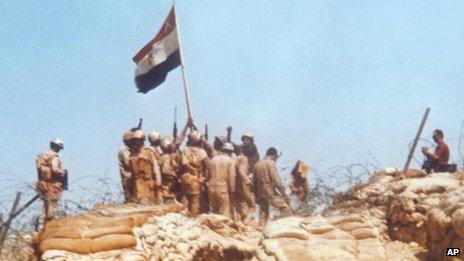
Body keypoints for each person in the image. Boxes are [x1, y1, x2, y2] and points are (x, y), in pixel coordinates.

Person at [253, 147, 292, 227]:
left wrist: (256, 195)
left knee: (263, 213)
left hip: (260, 193)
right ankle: (276, 222)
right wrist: (284, 194)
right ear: (273, 155)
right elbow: (276, 180)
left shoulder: (257, 164)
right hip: (269, 192)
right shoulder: (271, 163)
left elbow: (254, 182)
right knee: (287, 210)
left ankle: (261, 229)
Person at [36, 138, 67, 223]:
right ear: (57, 147)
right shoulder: (54, 156)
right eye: (59, 148)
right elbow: (54, 169)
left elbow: (39, 169)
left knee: (46, 205)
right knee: (52, 206)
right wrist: (63, 172)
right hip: (53, 184)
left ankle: (47, 224)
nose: (59, 150)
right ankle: (49, 225)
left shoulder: (41, 156)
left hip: (42, 183)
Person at [127, 130, 162, 204]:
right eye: (134, 141)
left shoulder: (148, 153)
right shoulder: (132, 156)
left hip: (148, 184)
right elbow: (131, 173)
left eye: (137, 141)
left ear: (142, 141)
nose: (135, 143)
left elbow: (156, 169)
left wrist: (158, 182)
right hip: (137, 186)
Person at [180, 130, 208, 215]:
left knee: (185, 200)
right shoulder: (202, 152)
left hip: (186, 178)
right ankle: (193, 219)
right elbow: (207, 165)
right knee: (195, 201)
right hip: (196, 178)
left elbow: (184, 164)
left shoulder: (185, 150)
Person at [205, 143, 236, 218]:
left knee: (214, 213)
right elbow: (231, 178)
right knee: (224, 214)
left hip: (211, 188)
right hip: (223, 189)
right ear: (230, 152)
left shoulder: (212, 160)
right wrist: (232, 191)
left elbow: (206, 176)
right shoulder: (230, 161)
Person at [234, 145, 255, 223]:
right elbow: (241, 171)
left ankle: (238, 222)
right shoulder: (243, 158)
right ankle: (246, 222)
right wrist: (247, 180)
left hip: (236, 185)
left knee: (239, 206)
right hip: (243, 185)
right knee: (252, 206)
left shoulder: (235, 158)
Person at [158, 136, 180, 204]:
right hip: (166, 184)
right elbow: (165, 171)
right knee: (168, 202)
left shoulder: (162, 157)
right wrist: (175, 175)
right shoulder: (166, 158)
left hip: (166, 183)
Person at [118, 131, 133, 203]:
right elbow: (128, 163)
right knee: (129, 199)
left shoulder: (130, 150)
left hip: (131, 177)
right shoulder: (123, 151)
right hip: (127, 178)